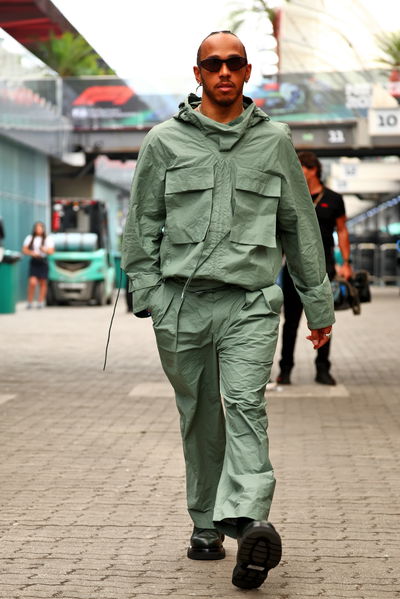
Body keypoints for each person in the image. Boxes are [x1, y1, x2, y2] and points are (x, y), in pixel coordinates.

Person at [122, 31, 335, 590]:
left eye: (233, 63)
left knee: (244, 404)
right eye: (212, 64)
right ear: (197, 74)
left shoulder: (275, 142)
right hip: (181, 304)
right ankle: (206, 526)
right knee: (200, 415)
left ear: (246, 73)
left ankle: (247, 519)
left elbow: (299, 225)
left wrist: (318, 304)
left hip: (250, 303)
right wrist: (149, 295)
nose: (223, 72)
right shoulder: (163, 142)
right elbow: (141, 224)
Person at [277, 151, 352, 386]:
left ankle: (322, 369)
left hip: (324, 269)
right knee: (290, 323)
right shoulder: (291, 197)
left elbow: (342, 231)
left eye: (301, 169)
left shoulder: (334, 198)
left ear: (313, 170)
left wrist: (346, 263)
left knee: (323, 319)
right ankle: (285, 369)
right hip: (292, 268)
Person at [22, 221, 54, 309]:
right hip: (34, 261)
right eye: (37, 228)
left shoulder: (48, 239)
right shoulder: (30, 238)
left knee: (43, 282)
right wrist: (31, 253)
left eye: (40, 228)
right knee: (32, 282)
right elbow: (24, 250)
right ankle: (30, 301)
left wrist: (45, 250)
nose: (38, 230)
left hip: (43, 261)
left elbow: (51, 251)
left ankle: (40, 301)